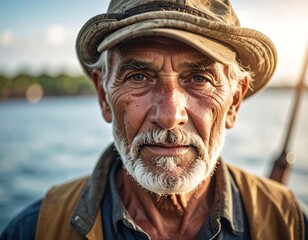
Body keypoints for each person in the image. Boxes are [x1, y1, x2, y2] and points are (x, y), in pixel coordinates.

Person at [1, 0, 307, 239]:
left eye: (199, 78)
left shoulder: (291, 224)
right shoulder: (35, 231)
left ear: (234, 102)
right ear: (103, 96)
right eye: (138, 76)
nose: (170, 116)